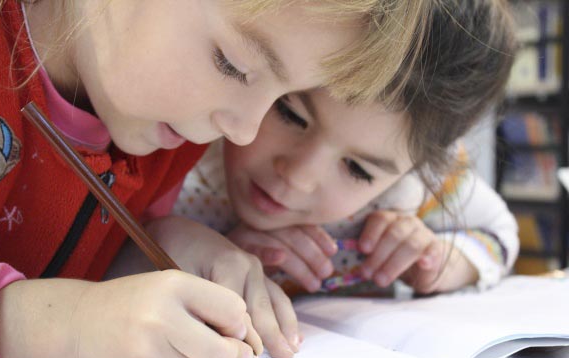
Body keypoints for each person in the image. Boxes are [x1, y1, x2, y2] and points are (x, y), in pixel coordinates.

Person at [0, 0, 432, 358]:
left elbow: (65, 260)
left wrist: (155, 248)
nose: (246, 131)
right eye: (235, 65)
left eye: (282, 97)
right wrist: (69, 326)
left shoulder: (167, 134)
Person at [171, 0, 519, 297]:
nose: (299, 176)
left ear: (417, 169)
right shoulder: (182, 143)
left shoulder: (418, 190)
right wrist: (196, 252)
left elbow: (499, 232)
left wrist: (445, 260)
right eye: (290, 114)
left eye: (358, 170)